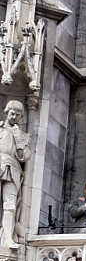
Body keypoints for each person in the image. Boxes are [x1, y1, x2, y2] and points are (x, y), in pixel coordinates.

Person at [0, 101, 30, 248]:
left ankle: (7, 238)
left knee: (10, 205)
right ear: (7, 112)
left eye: (18, 115)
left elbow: (24, 157)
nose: (14, 117)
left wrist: (19, 141)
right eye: (12, 113)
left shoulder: (23, 135)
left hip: (12, 168)